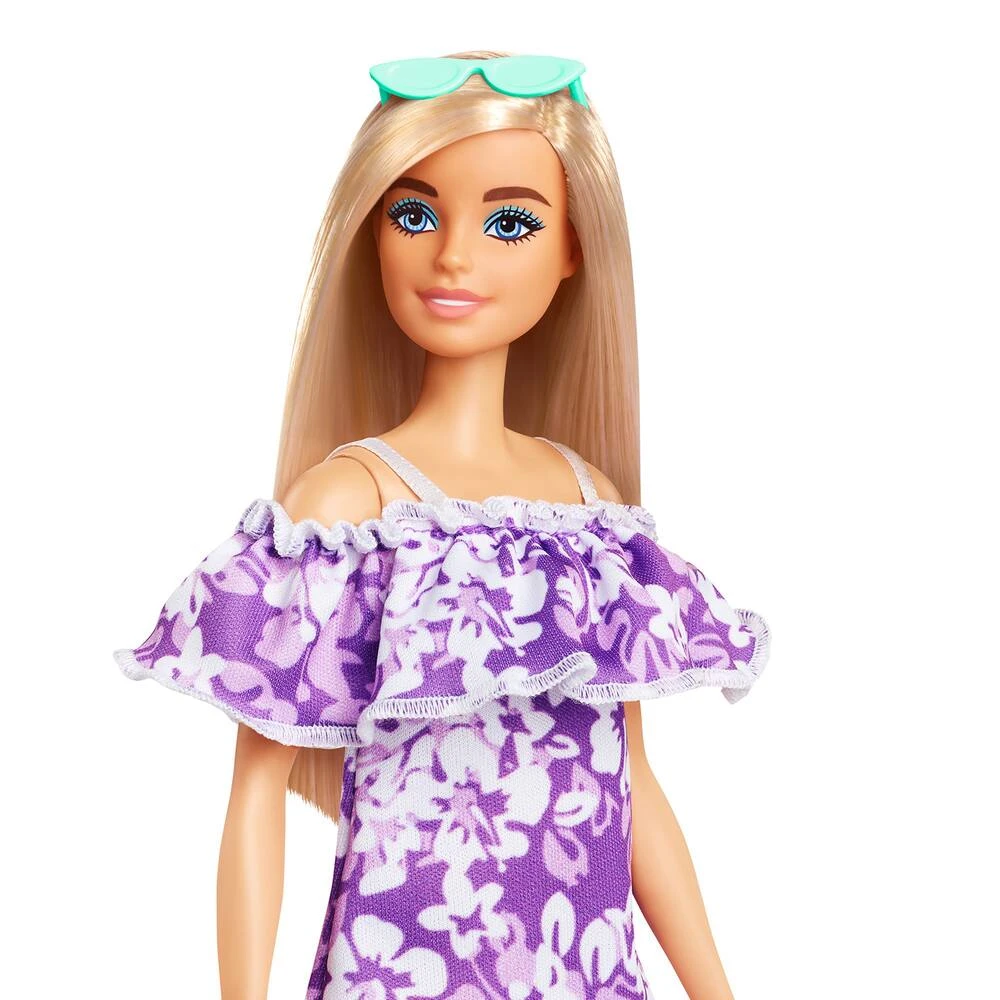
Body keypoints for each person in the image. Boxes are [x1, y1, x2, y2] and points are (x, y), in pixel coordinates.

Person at [114, 50, 770, 1000]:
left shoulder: (593, 515)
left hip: (584, 973)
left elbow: (633, 788)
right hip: (401, 970)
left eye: (510, 223)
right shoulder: (348, 513)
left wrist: (716, 988)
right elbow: (255, 794)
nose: (454, 257)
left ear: (573, 246)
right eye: (414, 216)